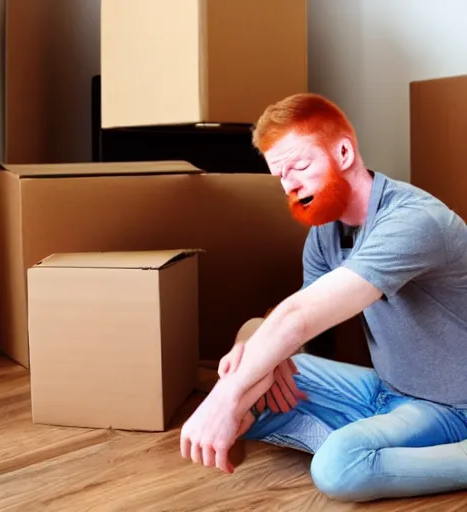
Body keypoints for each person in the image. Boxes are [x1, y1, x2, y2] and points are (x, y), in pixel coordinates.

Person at [179, 92, 467, 503]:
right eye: (281, 176)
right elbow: (291, 321)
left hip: (452, 406)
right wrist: (254, 346)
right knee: (252, 377)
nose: (291, 186)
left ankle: (380, 447)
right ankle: (381, 444)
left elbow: (299, 318)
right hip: (383, 390)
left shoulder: (414, 221)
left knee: (337, 467)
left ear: (344, 152)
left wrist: (225, 401)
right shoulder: (325, 234)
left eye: (300, 166)